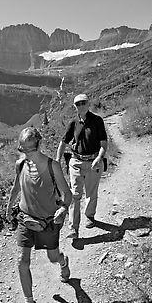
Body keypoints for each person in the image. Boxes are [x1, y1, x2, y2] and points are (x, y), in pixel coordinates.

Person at [5, 127, 73, 303]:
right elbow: (17, 187)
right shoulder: (21, 165)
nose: (28, 155)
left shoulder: (53, 166)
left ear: (39, 145)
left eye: (30, 150)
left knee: (52, 258)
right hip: (26, 220)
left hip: (48, 222)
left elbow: (66, 194)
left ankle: (62, 261)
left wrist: (64, 208)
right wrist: (9, 207)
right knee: (22, 261)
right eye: (23, 150)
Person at [56, 93, 108, 239]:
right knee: (74, 194)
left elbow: (103, 143)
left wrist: (99, 157)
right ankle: (73, 228)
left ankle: (89, 216)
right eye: (78, 104)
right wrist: (57, 159)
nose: (81, 105)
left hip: (93, 162)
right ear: (75, 106)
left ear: (88, 103)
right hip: (76, 162)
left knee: (91, 192)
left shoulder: (97, 121)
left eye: (83, 102)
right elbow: (63, 142)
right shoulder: (73, 122)